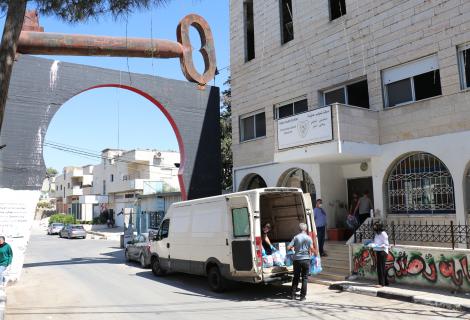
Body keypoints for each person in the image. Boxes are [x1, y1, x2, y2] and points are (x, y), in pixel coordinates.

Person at [287, 223, 316, 301]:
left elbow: (288, 247)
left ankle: (293, 295)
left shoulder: (296, 237)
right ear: (305, 229)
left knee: (296, 277)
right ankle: (302, 297)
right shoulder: (309, 238)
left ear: (299, 229)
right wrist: (316, 252)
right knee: (305, 278)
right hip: (306, 260)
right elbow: (311, 249)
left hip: (297, 260)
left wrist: (293, 248)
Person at [370, 220, 389, 287]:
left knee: (380, 268)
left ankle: (381, 283)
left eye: (375, 226)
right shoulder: (377, 234)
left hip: (383, 252)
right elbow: (376, 242)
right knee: (382, 267)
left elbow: (386, 244)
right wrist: (371, 244)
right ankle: (385, 282)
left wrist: (378, 246)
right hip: (378, 251)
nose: (374, 228)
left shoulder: (383, 233)